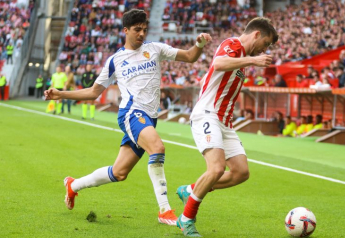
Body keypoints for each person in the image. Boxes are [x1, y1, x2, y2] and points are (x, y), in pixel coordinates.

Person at [44, 9, 212, 226]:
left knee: (119, 172)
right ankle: (165, 210)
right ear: (125, 30)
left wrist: (198, 45)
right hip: (131, 114)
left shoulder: (155, 49)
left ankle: (73, 185)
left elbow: (190, 57)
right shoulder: (115, 60)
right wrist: (61, 94)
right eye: (136, 30)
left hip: (149, 118)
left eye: (144, 29)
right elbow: (94, 92)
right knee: (158, 148)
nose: (141, 34)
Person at [175, 17, 278, 236]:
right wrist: (254, 61)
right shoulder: (232, 44)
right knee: (216, 168)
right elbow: (219, 63)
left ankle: (191, 190)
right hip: (207, 116)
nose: (264, 49)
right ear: (256, 34)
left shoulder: (244, 57)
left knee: (241, 172)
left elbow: (212, 78)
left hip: (225, 121)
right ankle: (186, 218)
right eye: (266, 44)